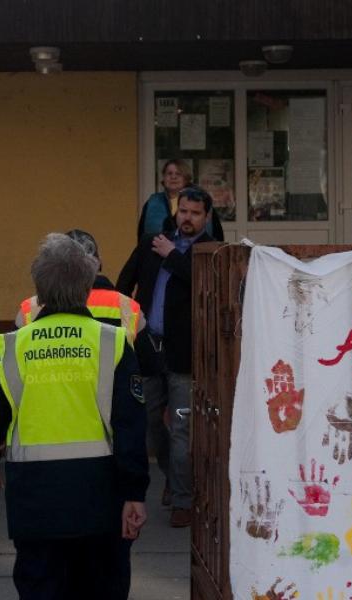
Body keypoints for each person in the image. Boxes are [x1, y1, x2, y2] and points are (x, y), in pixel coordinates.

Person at [0, 233, 148, 600]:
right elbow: (130, 425)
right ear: (86, 287)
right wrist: (135, 493)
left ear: (39, 291)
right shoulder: (112, 343)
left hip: (36, 503)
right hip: (101, 501)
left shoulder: (11, 347)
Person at [117, 185, 215, 527]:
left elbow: (205, 284)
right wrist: (128, 329)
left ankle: (183, 500)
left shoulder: (210, 251)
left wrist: (174, 255)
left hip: (184, 354)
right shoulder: (151, 243)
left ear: (206, 217)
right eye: (183, 211)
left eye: (195, 213)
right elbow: (122, 287)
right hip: (147, 349)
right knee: (149, 426)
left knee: (182, 429)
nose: (187, 218)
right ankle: (173, 481)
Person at [15, 229, 146, 344]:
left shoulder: (30, 308)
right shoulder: (128, 308)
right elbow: (151, 367)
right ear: (98, 262)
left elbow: (7, 362)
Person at [138, 159, 225, 242]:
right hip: (157, 254)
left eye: (178, 174)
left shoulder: (201, 201)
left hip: (195, 253)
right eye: (169, 173)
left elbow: (217, 234)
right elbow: (141, 234)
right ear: (164, 178)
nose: (173, 177)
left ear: (186, 178)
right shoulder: (152, 202)